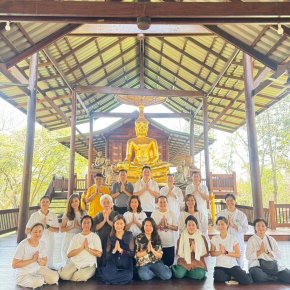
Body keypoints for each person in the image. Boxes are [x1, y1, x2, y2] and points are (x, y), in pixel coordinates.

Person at [12, 223, 59, 289]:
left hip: (37, 270)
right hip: (24, 273)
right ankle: (40, 280)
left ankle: (40, 279)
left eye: (40, 231)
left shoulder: (42, 244)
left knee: (54, 278)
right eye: (35, 231)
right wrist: (32, 260)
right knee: (38, 282)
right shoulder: (23, 245)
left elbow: (44, 263)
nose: (38, 234)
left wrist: (39, 260)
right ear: (30, 232)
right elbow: (14, 265)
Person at [58, 215, 102, 282]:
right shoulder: (76, 237)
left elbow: (99, 254)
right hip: (75, 263)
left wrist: (87, 249)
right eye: (84, 222)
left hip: (89, 265)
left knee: (80, 276)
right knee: (63, 275)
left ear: (91, 225)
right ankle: (66, 273)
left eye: (88, 222)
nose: (86, 224)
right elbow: (69, 254)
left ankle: (71, 275)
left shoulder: (95, 237)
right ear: (81, 224)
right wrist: (82, 248)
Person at [246, 218, 290, 284]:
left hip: (271, 266)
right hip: (257, 266)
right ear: (255, 228)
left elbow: (279, 255)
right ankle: (275, 277)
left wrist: (268, 252)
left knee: (288, 277)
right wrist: (260, 251)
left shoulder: (271, 239)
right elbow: (248, 256)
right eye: (258, 226)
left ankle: (270, 277)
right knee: (258, 275)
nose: (260, 228)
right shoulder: (251, 240)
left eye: (263, 226)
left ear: (266, 228)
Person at [210, 216, 252, 285]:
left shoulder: (233, 238)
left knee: (247, 281)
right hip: (220, 266)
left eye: (222, 224)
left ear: (227, 225)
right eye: (219, 224)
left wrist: (226, 252)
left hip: (232, 266)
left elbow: (238, 254)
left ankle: (234, 275)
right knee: (218, 277)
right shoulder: (214, 238)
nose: (221, 226)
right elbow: (211, 253)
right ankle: (232, 276)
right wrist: (220, 252)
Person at [99, 215, 135, 284]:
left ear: (124, 225)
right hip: (113, 262)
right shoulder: (110, 236)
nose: (119, 226)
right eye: (117, 223)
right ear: (114, 225)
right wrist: (114, 250)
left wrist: (121, 250)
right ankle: (117, 280)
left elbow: (132, 254)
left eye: (121, 223)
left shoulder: (129, 235)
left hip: (126, 262)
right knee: (107, 274)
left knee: (129, 276)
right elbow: (107, 256)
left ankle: (110, 281)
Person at [26, 196, 59, 268]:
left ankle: (48, 271)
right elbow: (27, 230)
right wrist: (37, 229)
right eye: (43, 202)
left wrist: (47, 226)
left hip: (49, 241)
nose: (45, 203)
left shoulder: (53, 216)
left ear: (49, 203)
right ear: (40, 204)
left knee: (48, 260)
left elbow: (57, 230)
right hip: (37, 242)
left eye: (47, 202)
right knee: (36, 259)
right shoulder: (34, 215)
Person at [216, 193, 248, 268]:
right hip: (225, 242)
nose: (229, 202)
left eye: (231, 200)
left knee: (238, 264)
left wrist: (234, 226)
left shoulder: (241, 215)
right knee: (226, 263)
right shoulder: (221, 213)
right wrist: (225, 226)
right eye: (227, 201)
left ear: (235, 201)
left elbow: (246, 229)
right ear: (225, 202)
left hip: (238, 242)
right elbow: (216, 226)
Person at [172, 216, 208, 280]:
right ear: (186, 226)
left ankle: (186, 272)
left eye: (193, 225)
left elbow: (205, 253)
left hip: (197, 261)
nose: (191, 227)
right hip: (184, 260)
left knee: (200, 275)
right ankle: (184, 271)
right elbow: (179, 254)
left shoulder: (201, 237)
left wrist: (195, 250)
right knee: (178, 274)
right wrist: (190, 250)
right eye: (189, 225)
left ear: (196, 226)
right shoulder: (182, 237)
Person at [151, 196, 178, 267]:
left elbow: (176, 228)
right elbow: (151, 229)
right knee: (158, 264)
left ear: (167, 203)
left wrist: (168, 226)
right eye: (160, 202)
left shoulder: (172, 213)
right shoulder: (154, 213)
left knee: (169, 263)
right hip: (158, 244)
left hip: (169, 244)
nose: (162, 204)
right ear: (157, 203)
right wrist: (160, 224)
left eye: (164, 202)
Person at [60, 193, 86, 263]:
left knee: (78, 255)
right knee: (67, 254)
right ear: (70, 203)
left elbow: (87, 228)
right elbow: (62, 229)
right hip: (69, 237)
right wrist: (71, 226)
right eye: (72, 202)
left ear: (79, 201)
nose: (74, 203)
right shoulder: (67, 214)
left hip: (80, 236)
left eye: (76, 201)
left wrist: (78, 226)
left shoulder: (84, 213)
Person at [94, 194, 118, 265]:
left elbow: (119, 227)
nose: (106, 204)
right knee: (101, 260)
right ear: (101, 204)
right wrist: (104, 221)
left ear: (111, 203)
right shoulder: (98, 215)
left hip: (113, 241)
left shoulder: (116, 214)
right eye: (104, 202)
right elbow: (94, 228)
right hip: (101, 241)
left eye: (108, 202)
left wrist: (108, 221)